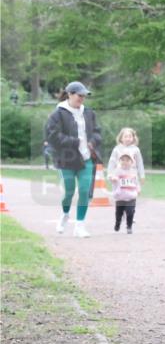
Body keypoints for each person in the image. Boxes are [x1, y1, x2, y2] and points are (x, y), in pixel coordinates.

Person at [44, 81, 102, 238]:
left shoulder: (89, 113)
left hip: (86, 158)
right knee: (69, 191)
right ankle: (65, 214)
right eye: (79, 95)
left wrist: (93, 142)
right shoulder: (58, 114)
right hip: (66, 159)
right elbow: (53, 136)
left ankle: (80, 225)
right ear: (69, 94)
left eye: (84, 95)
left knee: (84, 191)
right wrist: (74, 141)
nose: (82, 98)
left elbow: (97, 132)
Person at [110, 152, 140, 234]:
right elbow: (112, 178)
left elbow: (136, 182)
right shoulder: (117, 171)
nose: (125, 162)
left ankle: (129, 226)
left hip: (131, 196)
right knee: (118, 213)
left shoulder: (134, 172)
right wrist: (113, 179)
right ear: (120, 161)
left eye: (127, 160)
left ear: (132, 162)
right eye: (122, 160)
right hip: (120, 196)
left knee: (130, 212)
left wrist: (138, 189)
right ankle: (117, 223)